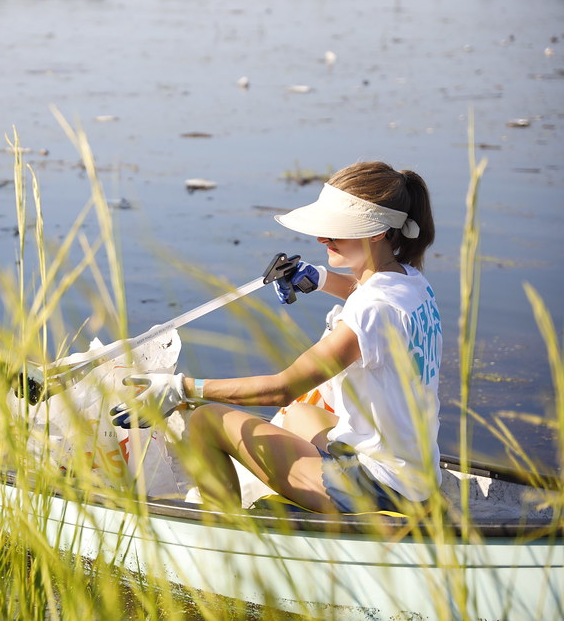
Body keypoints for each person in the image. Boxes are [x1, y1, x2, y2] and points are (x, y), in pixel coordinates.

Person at [110, 161, 442, 514]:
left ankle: (226, 531)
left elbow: (281, 388)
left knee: (208, 420)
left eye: (335, 231)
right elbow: (367, 297)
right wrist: (319, 278)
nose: (322, 239)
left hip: (376, 487)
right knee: (299, 415)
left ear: (376, 232)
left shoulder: (371, 310)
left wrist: (182, 388)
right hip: (413, 476)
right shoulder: (411, 282)